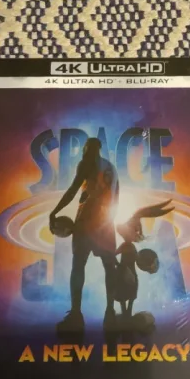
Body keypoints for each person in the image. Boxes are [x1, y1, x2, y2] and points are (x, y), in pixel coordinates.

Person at [49, 138, 119, 332]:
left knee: (78, 265)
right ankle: (110, 312)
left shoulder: (86, 163)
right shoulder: (111, 168)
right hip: (106, 223)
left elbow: (73, 190)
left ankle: (76, 315)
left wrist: (55, 211)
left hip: (86, 221)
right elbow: (116, 199)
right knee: (109, 267)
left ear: (88, 149)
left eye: (85, 149)